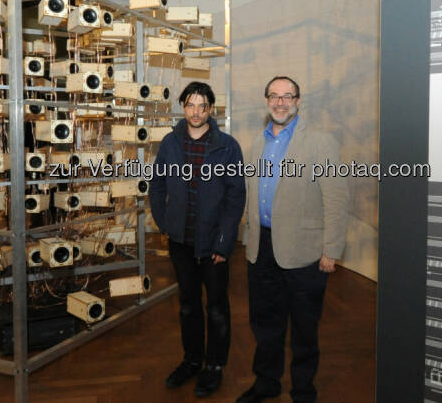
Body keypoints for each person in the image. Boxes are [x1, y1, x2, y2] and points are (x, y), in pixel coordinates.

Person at [238, 76, 350, 403]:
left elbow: (336, 199)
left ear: (298, 101)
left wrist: (331, 251)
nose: (281, 102)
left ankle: (303, 390)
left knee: (304, 329)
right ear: (266, 100)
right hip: (262, 250)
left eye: (288, 96)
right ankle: (266, 384)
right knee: (264, 325)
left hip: (305, 254)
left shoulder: (319, 142)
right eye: (274, 96)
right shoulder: (257, 144)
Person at [149, 81, 246, 397]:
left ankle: (214, 366)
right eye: (190, 104)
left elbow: (235, 197)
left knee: (216, 307)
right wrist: (165, 223)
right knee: (188, 306)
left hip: (213, 245)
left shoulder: (228, 146)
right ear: (183, 106)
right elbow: (158, 185)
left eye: (202, 105)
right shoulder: (170, 143)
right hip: (180, 242)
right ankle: (191, 360)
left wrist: (224, 241)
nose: (196, 111)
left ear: (210, 109)